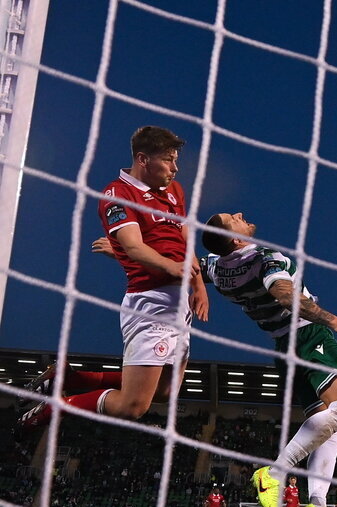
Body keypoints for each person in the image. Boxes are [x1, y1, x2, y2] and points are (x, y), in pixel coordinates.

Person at [200, 211, 337, 507]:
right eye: (233, 218)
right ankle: (274, 473)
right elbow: (284, 294)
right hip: (307, 336)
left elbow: (181, 264)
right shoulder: (265, 258)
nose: (241, 215)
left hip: (282, 348)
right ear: (234, 239)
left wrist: (127, 252)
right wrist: (335, 321)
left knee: (331, 430)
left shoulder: (217, 268)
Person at [19, 126, 209, 428]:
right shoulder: (117, 194)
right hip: (151, 303)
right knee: (132, 407)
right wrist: (171, 267)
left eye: (176, 160)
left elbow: (185, 240)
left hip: (179, 304)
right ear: (143, 159)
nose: (175, 168)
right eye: (169, 160)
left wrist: (198, 286)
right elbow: (133, 246)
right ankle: (59, 406)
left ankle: (69, 377)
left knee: (166, 391)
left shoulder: (175, 190)